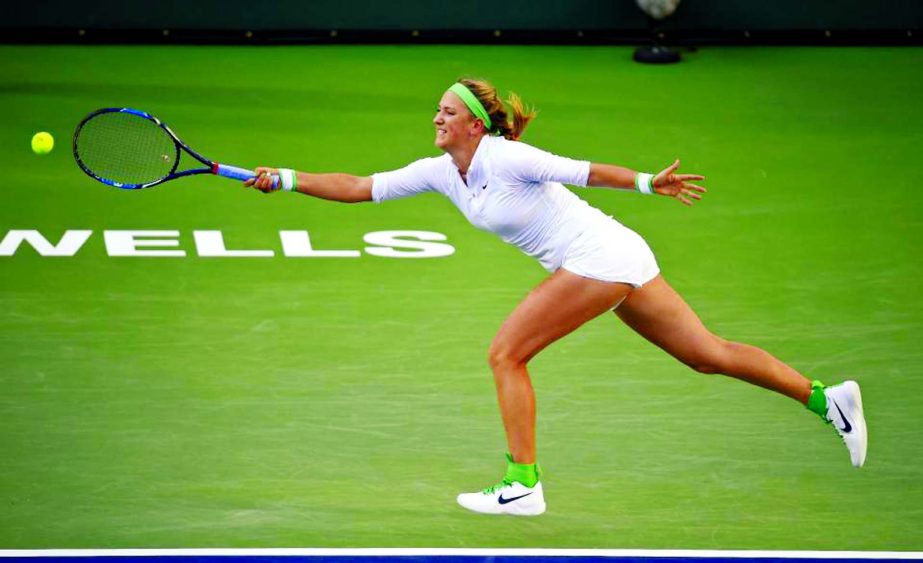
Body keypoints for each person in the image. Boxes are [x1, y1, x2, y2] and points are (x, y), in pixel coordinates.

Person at [245, 78, 868, 516]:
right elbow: (359, 186)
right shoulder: (441, 170)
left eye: (446, 112)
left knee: (506, 354)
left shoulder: (509, 157)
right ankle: (827, 400)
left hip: (600, 256)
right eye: (435, 112)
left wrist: (652, 182)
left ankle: (522, 484)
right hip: (613, 256)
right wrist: (289, 179)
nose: (436, 120)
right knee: (706, 353)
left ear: (475, 123)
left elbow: (588, 171)